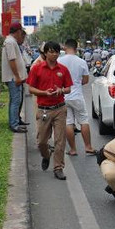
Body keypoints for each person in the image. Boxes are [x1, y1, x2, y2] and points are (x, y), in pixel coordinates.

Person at [26, 41, 73, 180]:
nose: (54, 54)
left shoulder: (63, 69)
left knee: (60, 140)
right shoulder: (37, 68)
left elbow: (69, 88)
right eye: (51, 51)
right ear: (45, 53)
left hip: (59, 108)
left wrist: (61, 90)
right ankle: (46, 155)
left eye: (56, 52)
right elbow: (30, 88)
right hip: (43, 109)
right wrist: (44, 93)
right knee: (41, 141)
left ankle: (58, 168)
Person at [58, 39, 96, 156]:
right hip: (77, 96)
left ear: (65, 47)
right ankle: (88, 147)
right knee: (84, 121)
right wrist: (77, 84)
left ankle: (73, 149)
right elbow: (85, 80)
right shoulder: (81, 62)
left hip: (63, 96)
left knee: (68, 123)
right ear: (76, 48)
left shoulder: (59, 61)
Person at [1, 22, 28, 133]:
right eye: (21, 32)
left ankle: (16, 121)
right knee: (15, 101)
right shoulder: (10, 42)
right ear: (17, 32)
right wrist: (17, 76)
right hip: (13, 78)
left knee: (16, 100)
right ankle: (14, 125)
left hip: (15, 77)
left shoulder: (11, 42)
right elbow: (12, 60)